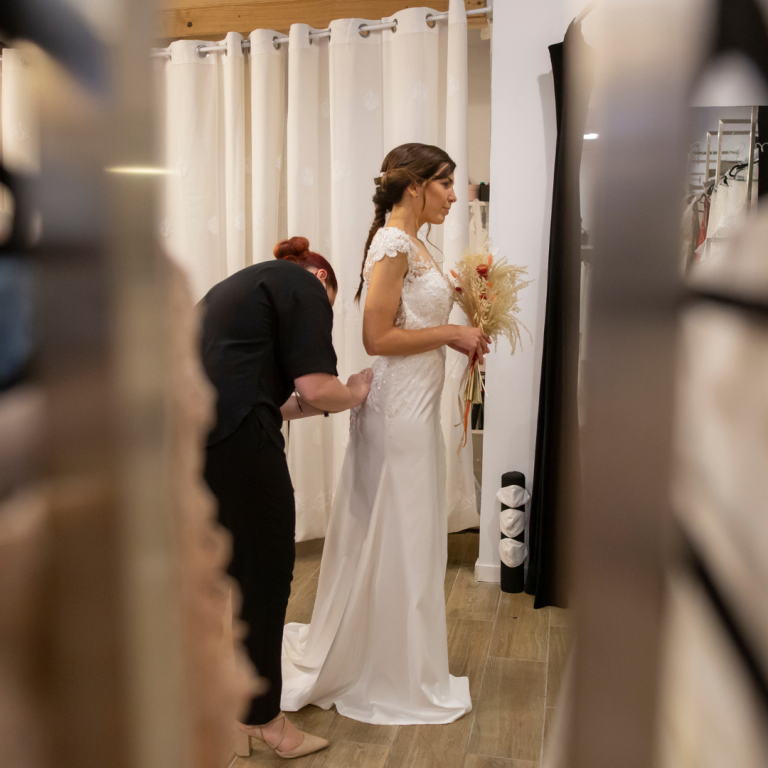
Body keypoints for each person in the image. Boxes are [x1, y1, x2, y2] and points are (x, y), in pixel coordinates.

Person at [281, 143, 490, 724]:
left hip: (416, 405)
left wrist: (467, 326)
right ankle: (391, 671)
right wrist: (451, 333)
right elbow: (376, 337)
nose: (453, 194)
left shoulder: (419, 241)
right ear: (416, 185)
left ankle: (403, 659)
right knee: (403, 529)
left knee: (411, 532)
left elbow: (414, 322)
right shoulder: (392, 243)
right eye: (446, 183)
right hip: (397, 407)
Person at [200, 237, 373, 758]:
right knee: (268, 573)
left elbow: (284, 403)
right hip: (237, 438)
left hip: (193, 437)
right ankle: (265, 722)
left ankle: (231, 706)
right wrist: (355, 394)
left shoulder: (236, 293)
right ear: (323, 281)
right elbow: (318, 388)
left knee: (231, 577)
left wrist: (326, 402)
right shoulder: (303, 284)